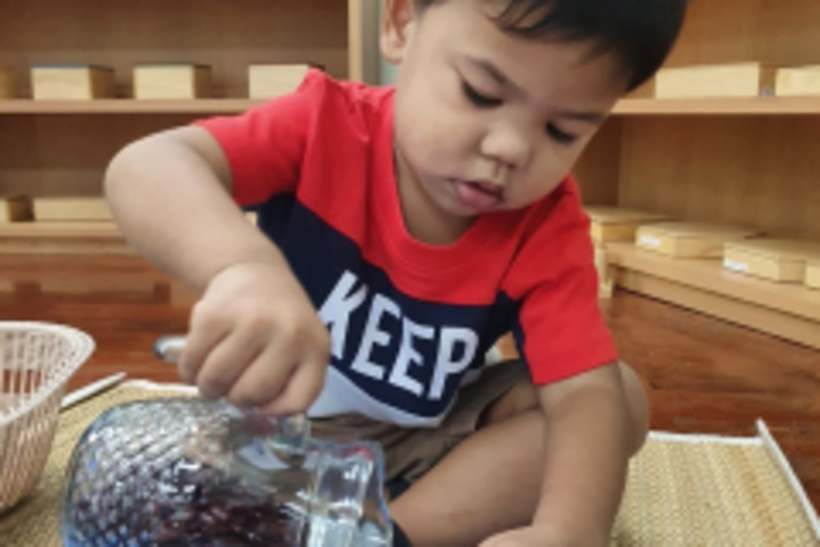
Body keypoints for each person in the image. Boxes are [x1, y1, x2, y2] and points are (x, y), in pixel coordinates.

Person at [105, 0, 687, 544]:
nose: (510, 147)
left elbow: (581, 388)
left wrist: (569, 530)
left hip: (427, 440)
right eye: (481, 93)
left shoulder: (545, 223)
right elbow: (147, 164)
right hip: (274, 439)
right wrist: (243, 269)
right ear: (402, 23)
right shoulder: (323, 125)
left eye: (563, 131)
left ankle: (386, 533)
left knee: (617, 402)